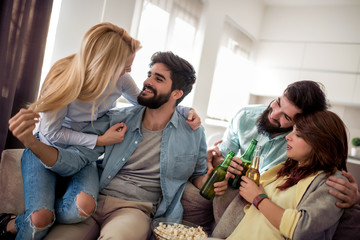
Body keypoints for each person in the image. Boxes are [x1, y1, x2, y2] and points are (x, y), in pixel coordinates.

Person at [0, 23, 200, 240]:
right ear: (107, 63)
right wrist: (99, 140)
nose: (131, 72)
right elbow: (52, 134)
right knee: (40, 219)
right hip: (48, 148)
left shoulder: (120, 79)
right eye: (126, 65)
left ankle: (39, 218)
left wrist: (181, 107)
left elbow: (145, 101)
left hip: (81, 155)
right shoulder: (64, 77)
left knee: (81, 207)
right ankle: (19, 222)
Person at [181, 80, 360, 236]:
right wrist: (222, 162)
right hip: (237, 191)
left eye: (287, 117)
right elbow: (220, 155)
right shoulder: (245, 116)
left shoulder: (301, 147)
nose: (274, 114)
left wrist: (354, 199)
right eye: (278, 103)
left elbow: (330, 170)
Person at [226, 110, 348, 239]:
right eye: (292, 130)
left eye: (299, 134)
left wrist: (259, 199)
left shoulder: (333, 181)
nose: (288, 137)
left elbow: (303, 229)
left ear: (321, 142)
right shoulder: (286, 168)